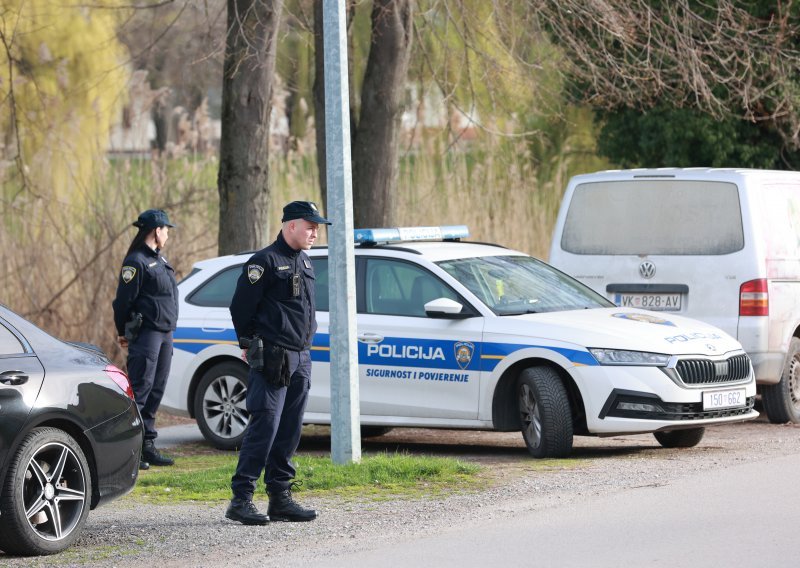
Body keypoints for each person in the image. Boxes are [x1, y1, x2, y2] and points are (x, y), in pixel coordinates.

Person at [225, 200, 331, 525]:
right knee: (265, 426)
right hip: (273, 356)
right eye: (310, 225)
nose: (315, 231)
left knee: (290, 428)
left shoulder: (306, 262)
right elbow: (240, 307)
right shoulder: (264, 262)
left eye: (317, 226)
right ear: (290, 226)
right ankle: (241, 500)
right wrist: (250, 344)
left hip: (301, 357)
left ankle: (280, 498)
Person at [112, 209, 179, 470]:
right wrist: (123, 331)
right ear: (156, 231)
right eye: (166, 230)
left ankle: (148, 445)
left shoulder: (160, 261)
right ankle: (131, 451)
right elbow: (122, 302)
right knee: (141, 390)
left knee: (156, 390)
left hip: (164, 335)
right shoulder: (136, 262)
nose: (167, 235)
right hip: (147, 335)